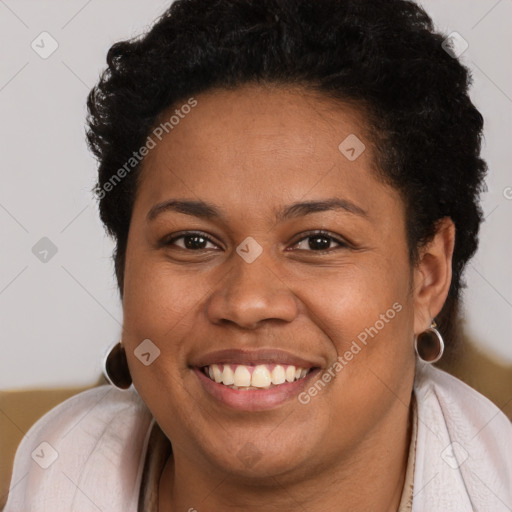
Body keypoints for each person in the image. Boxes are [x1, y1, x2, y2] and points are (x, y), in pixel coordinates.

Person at [4, 0, 512, 510]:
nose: (247, 303)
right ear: (124, 268)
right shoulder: (32, 475)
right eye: (192, 241)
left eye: (319, 242)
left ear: (427, 277)